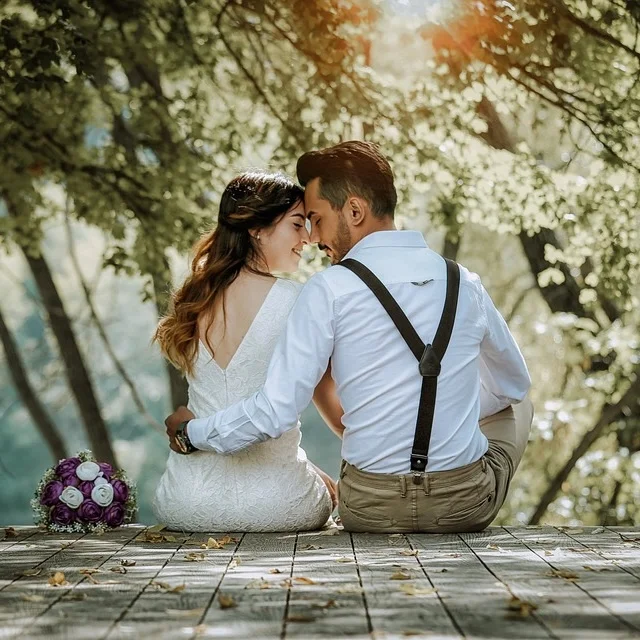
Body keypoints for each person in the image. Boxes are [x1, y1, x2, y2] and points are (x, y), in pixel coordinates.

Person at [165, 141, 534, 533]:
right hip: (464, 506)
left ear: (354, 211)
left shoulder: (327, 289)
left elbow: (275, 410)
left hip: (368, 508)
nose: (313, 237)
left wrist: (193, 433)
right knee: (516, 403)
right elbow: (512, 384)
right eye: (303, 222)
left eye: (317, 219)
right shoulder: (465, 283)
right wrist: (449, 413)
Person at [153, 171, 339, 532]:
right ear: (256, 228)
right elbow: (318, 410)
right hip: (279, 505)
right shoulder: (298, 300)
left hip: (187, 503)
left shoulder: (193, 300)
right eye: (297, 224)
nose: (308, 238)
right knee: (326, 495)